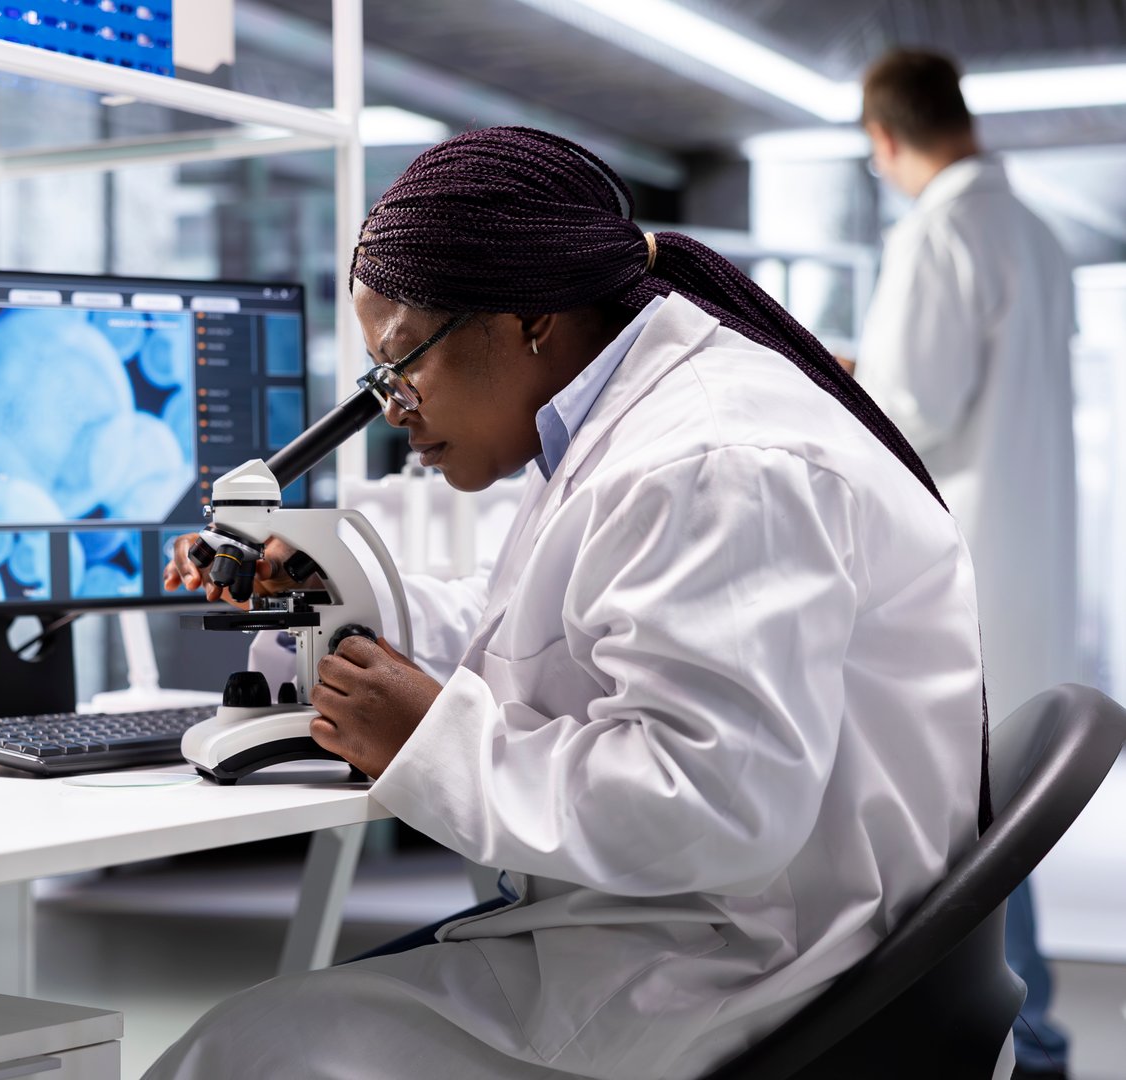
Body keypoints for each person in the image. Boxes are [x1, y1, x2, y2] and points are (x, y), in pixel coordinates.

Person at [155, 125, 986, 1080]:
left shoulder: (712, 457)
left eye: (401, 362)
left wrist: (433, 739)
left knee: (234, 1055)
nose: (391, 407)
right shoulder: (632, 423)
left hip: (750, 980)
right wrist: (337, 601)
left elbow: (710, 803)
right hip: (693, 933)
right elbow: (544, 632)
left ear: (529, 322)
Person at [853, 49, 1077, 1080]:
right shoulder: (1032, 230)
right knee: (994, 809)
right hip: (1026, 554)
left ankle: (1028, 1040)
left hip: (961, 566)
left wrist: (847, 379)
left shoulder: (940, 228)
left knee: (973, 824)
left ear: (886, 138)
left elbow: (914, 410)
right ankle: (1032, 1037)